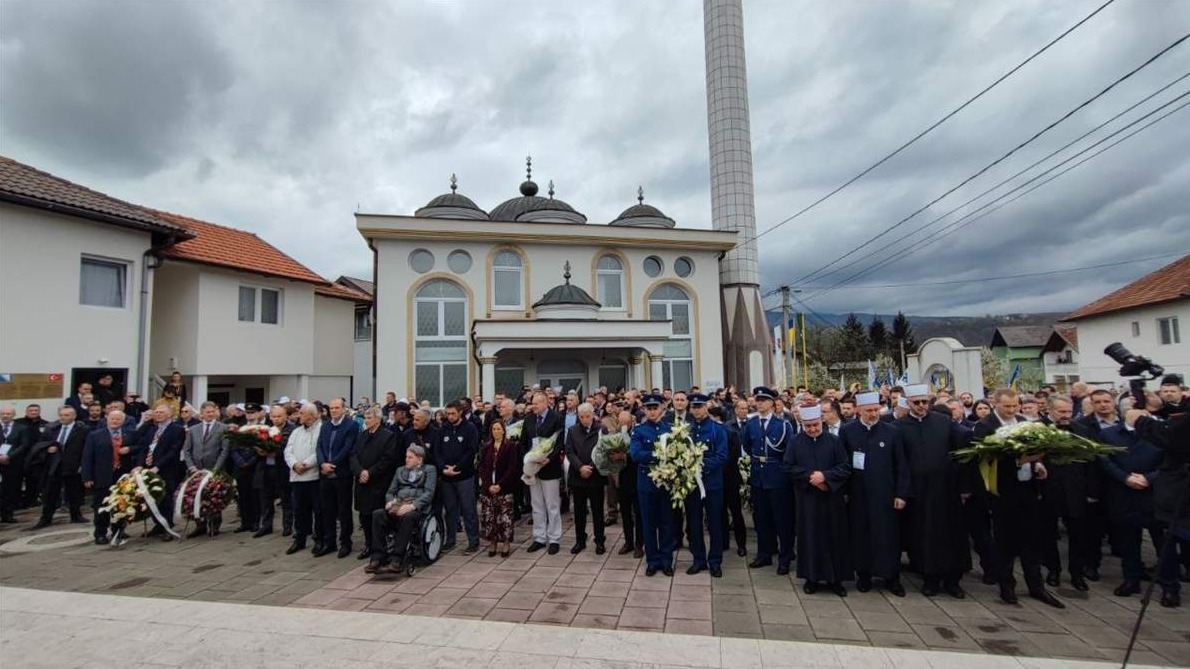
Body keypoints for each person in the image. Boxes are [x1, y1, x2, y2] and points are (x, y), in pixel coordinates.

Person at [974, 389, 1064, 608]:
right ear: (996, 403)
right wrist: (1017, 462)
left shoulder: (1024, 422)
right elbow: (985, 459)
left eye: (1015, 406)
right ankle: (1007, 586)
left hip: (1028, 490)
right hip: (1003, 492)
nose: (1012, 410)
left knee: (1032, 540)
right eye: (1007, 406)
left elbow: (1035, 450)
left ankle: (1036, 586)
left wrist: (1038, 464)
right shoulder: (986, 426)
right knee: (1005, 542)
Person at [897, 384, 970, 599]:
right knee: (923, 536)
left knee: (951, 536)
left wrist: (964, 487)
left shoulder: (944, 423)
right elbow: (899, 462)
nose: (921, 406)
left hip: (946, 491)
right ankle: (930, 580)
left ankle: (953, 581)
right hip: (918, 492)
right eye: (916, 402)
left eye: (924, 402)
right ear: (908, 403)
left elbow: (962, 453)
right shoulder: (899, 427)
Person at [839, 391, 909, 596]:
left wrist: (901, 493)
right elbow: (843, 464)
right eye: (868, 410)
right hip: (858, 495)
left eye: (876, 410)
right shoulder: (848, 431)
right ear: (859, 410)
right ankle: (864, 574)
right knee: (862, 535)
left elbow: (901, 465)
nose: (873, 414)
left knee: (888, 537)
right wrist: (844, 492)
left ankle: (892, 577)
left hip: (886, 495)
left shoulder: (892, 431)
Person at [1098, 418, 1172, 601]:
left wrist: (1149, 478)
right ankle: (1131, 579)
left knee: (1164, 544)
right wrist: (1125, 478)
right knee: (1128, 542)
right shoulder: (1109, 434)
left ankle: (1170, 585)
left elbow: (1172, 462)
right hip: (1124, 493)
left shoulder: (1163, 431)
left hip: (1156, 495)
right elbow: (1105, 459)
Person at [784, 404, 851, 596]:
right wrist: (811, 478)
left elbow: (845, 467)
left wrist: (826, 478)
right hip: (808, 499)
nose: (812, 429)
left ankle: (835, 579)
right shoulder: (795, 442)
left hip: (831, 498)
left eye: (815, 425)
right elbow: (788, 467)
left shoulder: (834, 441)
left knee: (834, 537)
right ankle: (811, 578)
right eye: (808, 426)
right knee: (810, 536)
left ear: (821, 422)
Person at [744, 387, 796, 575]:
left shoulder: (783, 425)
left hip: (778, 476)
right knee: (762, 518)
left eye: (764, 400)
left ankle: (785, 556)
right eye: (757, 400)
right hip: (758, 476)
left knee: (782, 519)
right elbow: (748, 446)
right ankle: (764, 554)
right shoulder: (751, 425)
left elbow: (788, 451)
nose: (759, 403)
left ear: (772, 403)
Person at [366, 444, 437, 575]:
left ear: (419, 459)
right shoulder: (400, 470)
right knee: (377, 514)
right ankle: (377, 557)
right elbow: (390, 491)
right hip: (398, 504)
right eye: (406, 457)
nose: (406, 459)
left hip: (416, 507)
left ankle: (396, 559)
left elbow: (428, 493)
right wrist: (390, 502)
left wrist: (412, 506)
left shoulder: (429, 470)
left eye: (410, 457)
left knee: (408, 517)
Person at [629, 394, 675, 577]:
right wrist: (659, 455)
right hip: (647, 482)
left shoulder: (670, 429)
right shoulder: (639, 431)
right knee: (648, 524)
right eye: (649, 409)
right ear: (645, 410)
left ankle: (666, 560)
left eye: (655, 408)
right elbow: (636, 454)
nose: (652, 411)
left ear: (662, 409)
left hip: (666, 483)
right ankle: (652, 561)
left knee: (666, 522)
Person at [81, 410, 141, 545]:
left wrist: (129, 449)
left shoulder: (130, 434)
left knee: (122, 504)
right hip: (102, 476)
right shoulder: (95, 435)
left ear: (123, 421)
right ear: (107, 419)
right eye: (112, 419)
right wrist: (87, 477)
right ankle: (100, 533)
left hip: (122, 477)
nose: (115, 421)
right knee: (101, 506)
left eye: (118, 419)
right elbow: (87, 457)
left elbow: (140, 447)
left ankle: (118, 531)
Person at [686, 393, 728, 577]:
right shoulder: (686, 429)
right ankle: (698, 559)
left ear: (706, 407)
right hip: (691, 484)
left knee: (715, 523)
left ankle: (715, 560)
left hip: (712, 483)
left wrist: (701, 467)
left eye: (700, 406)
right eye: (693, 407)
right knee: (693, 523)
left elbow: (722, 456)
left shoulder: (717, 429)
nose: (696, 410)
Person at [350, 407, 398, 560]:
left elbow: (388, 459)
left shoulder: (388, 436)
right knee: (364, 516)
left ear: (378, 419)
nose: (366, 421)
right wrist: (360, 472)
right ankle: (368, 544)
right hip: (362, 482)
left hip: (378, 483)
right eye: (365, 418)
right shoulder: (362, 435)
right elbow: (353, 455)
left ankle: (380, 547)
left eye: (369, 418)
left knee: (376, 516)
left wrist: (369, 472)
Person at [315, 398, 360, 558]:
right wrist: (322, 464)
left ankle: (345, 542)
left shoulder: (351, 425)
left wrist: (332, 464)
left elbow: (348, 447)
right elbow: (319, 446)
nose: (333, 410)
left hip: (342, 474)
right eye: (331, 408)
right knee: (327, 510)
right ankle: (329, 542)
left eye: (336, 408)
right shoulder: (325, 425)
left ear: (343, 409)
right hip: (325, 474)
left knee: (343, 510)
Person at [31, 406, 89, 529]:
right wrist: (48, 448)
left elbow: (86, 448)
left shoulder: (82, 429)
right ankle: (46, 518)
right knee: (50, 493)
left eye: (67, 415)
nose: (63, 417)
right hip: (54, 465)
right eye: (61, 415)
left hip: (72, 465)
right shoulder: (51, 428)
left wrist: (82, 465)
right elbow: (40, 444)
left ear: (74, 416)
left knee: (73, 492)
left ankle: (76, 515)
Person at [434, 401, 480, 554]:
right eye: (448, 413)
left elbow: (471, 450)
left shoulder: (470, 428)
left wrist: (457, 467)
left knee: (468, 509)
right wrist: (443, 468)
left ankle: (473, 541)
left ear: (460, 412)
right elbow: (437, 451)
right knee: (450, 510)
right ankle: (450, 540)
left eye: (453, 413)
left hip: (464, 476)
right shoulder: (443, 429)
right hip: (447, 477)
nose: (450, 416)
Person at [523, 392, 564, 554]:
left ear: (545, 403)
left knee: (552, 505)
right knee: (537, 505)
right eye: (532, 403)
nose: (533, 406)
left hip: (549, 468)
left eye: (536, 404)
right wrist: (527, 459)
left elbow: (559, 443)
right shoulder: (529, 419)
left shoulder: (556, 418)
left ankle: (554, 538)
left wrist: (549, 459)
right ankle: (539, 537)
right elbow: (523, 442)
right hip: (533, 469)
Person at [135, 405, 186, 538]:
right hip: (148, 468)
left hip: (167, 469)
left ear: (169, 414)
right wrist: (140, 464)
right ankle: (158, 524)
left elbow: (173, 451)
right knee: (151, 497)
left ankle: (168, 526)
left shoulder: (177, 429)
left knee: (166, 498)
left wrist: (158, 466)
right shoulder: (152, 430)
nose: (158, 414)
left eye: (161, 412)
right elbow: (143, 448)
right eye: (156, 412)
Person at [181, 402, 228, 537]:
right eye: (208, 412)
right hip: (196, 470)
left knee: (214, 497)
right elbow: (187, 450)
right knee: (195, 497)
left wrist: (216, 469)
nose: (210, 414)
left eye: (213, 411)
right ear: (202, 413)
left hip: (214, 469)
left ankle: (214, 525)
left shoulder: (223, 428)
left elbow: (224, 451)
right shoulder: (194, 429)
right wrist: (191, 467)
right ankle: (199, 525)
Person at [566, 403, 607, 555]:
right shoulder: (572, 430)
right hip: (578, 476)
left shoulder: (601, 429)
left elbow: (603, 451)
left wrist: (590, 467)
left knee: (597, 511)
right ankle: (580, 540)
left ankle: (600, 541)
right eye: (581, 417)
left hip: (595, 475)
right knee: (579, 511)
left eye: (587, 416)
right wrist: (580, 467)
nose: (585, 420)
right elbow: (569, 451)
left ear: (593, 415)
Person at [284, 403, 322, 555]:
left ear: (311, 416)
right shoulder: (296, 432)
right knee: (299, 510)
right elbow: (288, 450)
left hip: (313, 477)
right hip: (297, 477)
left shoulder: (321, 429)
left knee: (317, 510)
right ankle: (299, 539)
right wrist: (294, 464)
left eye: (302, 413)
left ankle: (319, 539)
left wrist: (306, 464)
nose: (299, 416)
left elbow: (319, 450)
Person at [479, 419, 519, 557]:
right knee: (490, 516)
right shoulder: (486, 446)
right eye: (493, 429)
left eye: (498, 428)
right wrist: (488, 484)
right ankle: (492, 541)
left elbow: (512, 468)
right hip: (488, 488)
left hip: (504, 487)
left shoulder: (510, 446)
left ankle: (506, 542)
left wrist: (500, 485)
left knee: (505, 516)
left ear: (503, 430)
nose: (496, 431)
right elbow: (482, 467)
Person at [254, 404, 295, 537]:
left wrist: (272, 451)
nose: (276, 419)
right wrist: (259, 449)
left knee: (286, 498)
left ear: (285, 416)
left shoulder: (292, 430)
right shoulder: (265, 430)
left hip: (282, 468)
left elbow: (287, 449)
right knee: (265, 498)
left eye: (279, 416)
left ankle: (287, 526)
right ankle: (266, 525)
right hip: (266, 468)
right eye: (274, 416)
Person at [229, 403, 264, 534]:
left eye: (252, 413)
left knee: (254, 496)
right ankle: (245, 522)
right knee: (242, 496)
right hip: (241, 467)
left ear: (257, 414)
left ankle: (255, 521)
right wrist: (240, 462)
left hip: (254, 467)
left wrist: (250, 462)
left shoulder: (262, 429)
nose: (250, 415)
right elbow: (234, 448)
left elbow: (261, 448)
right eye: (248, 413)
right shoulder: (241, 428)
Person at [615, 409, 644, 558]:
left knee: (638, 513)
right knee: (625, 512)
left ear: (631, 421)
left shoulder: (638, 433)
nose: (623, 424)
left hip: (637, 477)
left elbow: (639, 453)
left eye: (626, 422)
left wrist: (624, 455)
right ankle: (628, 541)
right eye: (621, 422)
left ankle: (640, 544)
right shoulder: (616, 434)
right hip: (622, 478)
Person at [0, 406, 33, 523]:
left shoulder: (22, 428)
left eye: (8, 414)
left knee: (10, 489)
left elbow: (24, 445)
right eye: (3, 414)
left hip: (13, 463)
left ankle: (7, 514)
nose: (5, 416)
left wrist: (9, 456)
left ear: (13, 415)